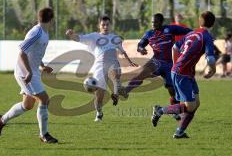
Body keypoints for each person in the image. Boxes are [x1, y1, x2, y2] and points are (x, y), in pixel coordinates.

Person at [0, 7, 58, 143]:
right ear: (52, 20)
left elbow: (34, 52)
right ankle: (44, 135)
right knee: (44, 99)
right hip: (24, 72)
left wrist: (42, 66)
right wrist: (29, 72)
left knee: (27, 105)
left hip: (32, 71)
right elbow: (22, 52)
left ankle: (1, 120)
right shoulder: (36, 32)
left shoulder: (44, 33)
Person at [152, 11, 216, 139]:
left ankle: (179, 132)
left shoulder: (192, 33)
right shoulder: (207, 36)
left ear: (199, 21)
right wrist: (213, 70)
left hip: (186, 72)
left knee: (195, 104)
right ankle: (160, 110)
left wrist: (177, 65)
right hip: (182, 73)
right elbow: (210, 59)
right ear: (213, 24)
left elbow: (175, 47)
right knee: (190, 106)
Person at [119, 13, 192, 120]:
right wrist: (141, 49)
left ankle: (174, 110)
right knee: (141, 74)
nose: (153, 24)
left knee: (172, 90)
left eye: (156, 22)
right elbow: (140, 44)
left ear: (161, 22)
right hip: (156, 62)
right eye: (152, 22)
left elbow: (187, 31)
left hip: (170, 65)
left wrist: (198, 36)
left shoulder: (170, 29)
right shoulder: (149, 33)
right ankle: (126, 91)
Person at [66, 15, 137, 122]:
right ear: (99, 25)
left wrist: (130, 61)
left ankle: (116, 93)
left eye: (107, 24)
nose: (105, 26)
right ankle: (99, 113)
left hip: (113, 62)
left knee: (115, 75)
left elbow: (122, 51)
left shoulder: (115, 38)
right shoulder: (93, 37)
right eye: (103, 24)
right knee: (99, 96)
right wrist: (71, 35)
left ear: (110, 25)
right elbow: (79, 38)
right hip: (99, 66)